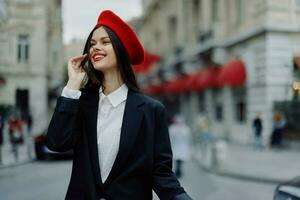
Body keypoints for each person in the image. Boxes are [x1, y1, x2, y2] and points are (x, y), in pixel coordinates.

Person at [46, 10, 192, 200]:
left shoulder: (151, 110)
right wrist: (73, 84)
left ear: (121, 49)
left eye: (105, 42)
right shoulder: (80, 102)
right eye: (92, 44)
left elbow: (161, 172)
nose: (95, 48)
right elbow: (56, 143)